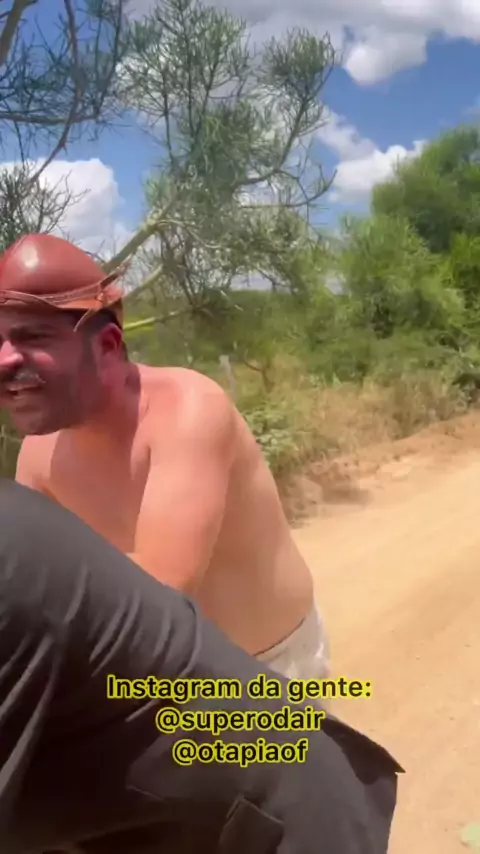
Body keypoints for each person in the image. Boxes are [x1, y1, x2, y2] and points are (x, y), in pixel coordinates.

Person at [0, 478, 402, 854]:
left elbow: (172, 575)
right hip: (141, 807)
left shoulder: (187, 424)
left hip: (261, 815)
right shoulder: (36, 472)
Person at [0, 233, 330, 683]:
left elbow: (162, 593)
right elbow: (33, 576)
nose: (5, 360)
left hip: (270, 672)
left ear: (107, 345)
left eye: (32, 337)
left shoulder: (187, 411)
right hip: (155, 678)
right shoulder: (38, 455)